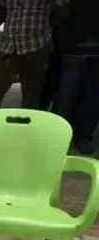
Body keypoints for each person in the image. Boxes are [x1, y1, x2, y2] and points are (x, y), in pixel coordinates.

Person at [0, 0, 69, 110]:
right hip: (9, 47)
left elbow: (63, 9)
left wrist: (45, 28)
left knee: (30, 99)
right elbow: (1, 11)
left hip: (35, 47)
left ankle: (27, 121)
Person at [50, 0, 99, 155]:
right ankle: (61, 136)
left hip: (83, 48)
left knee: (90, 98)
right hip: (73, 47)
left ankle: (80, 137)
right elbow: (60, 12)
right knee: (67, 96)